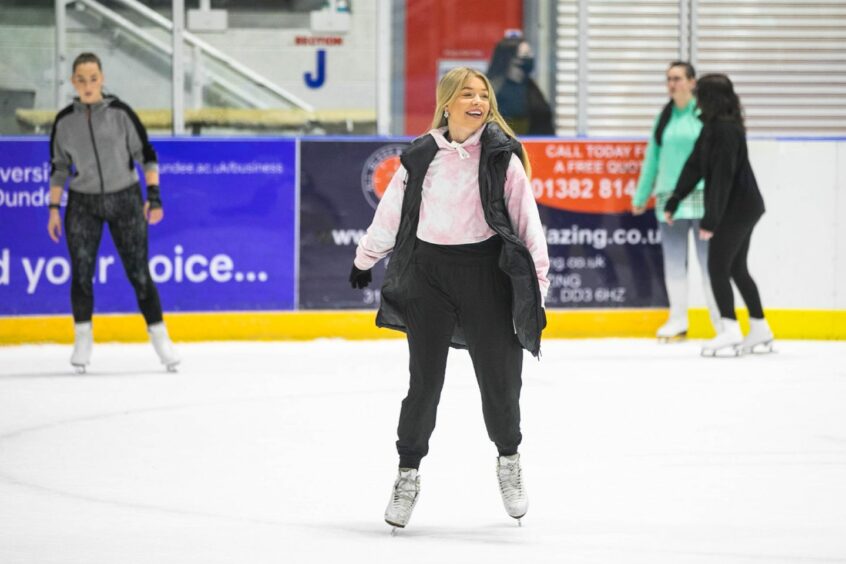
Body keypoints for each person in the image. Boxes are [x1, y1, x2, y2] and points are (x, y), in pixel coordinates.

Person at [349, 67, 549, 529]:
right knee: (424, 385)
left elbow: (528, 228)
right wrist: (364, 260)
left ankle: (509, 459)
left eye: (483, 94)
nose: (477, 102)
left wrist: (538, 289)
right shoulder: (421, 156)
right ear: (447, 103)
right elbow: (391, 215)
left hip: (487, 278)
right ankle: (407, 474)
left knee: (500, 384)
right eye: (466, 94)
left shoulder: (503, 158)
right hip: (428, 280)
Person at [47, 52, 180, 373]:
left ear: (102, 78)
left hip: (125, 200)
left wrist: (154, 196)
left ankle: (160, 337)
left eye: (93, 78)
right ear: (73, 82)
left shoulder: (121, 114)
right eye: (81, 79)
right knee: (81, 273)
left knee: (138, 272)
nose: (88, 85)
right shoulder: (64, 121)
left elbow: (147, 154)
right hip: (83, 203)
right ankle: (82, 338)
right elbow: (59, 167)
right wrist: (53, 208)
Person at [664, 73, 773, 356]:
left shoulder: (726, 130)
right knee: (736, 268)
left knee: (717, 267)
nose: (697, 98)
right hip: (742, 205)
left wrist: (711, 220)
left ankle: (730, 329)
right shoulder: (712, 127)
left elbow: (722, 178)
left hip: (738, 207)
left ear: (711, 97)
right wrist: (676, 198)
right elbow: (695, 165)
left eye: (701, 93)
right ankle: (760, 327)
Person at [632, 62, 721, 342]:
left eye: (679, 78)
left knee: (710, 263)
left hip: (703, 196)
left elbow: (719, 158)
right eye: (669, 79)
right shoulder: (664, 117)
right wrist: (641, 194)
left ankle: (722, 320)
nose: (673, 84)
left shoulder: (705, 114)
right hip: (669, 199)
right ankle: (678, 319)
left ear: (693, 82)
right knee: (673, 262)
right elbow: (652, 159)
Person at [486, 35, 555, 135]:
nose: (530, 57)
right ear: (510, 58)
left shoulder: (531, 87)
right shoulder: (493, 88)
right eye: (525, 55)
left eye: (531, 53)